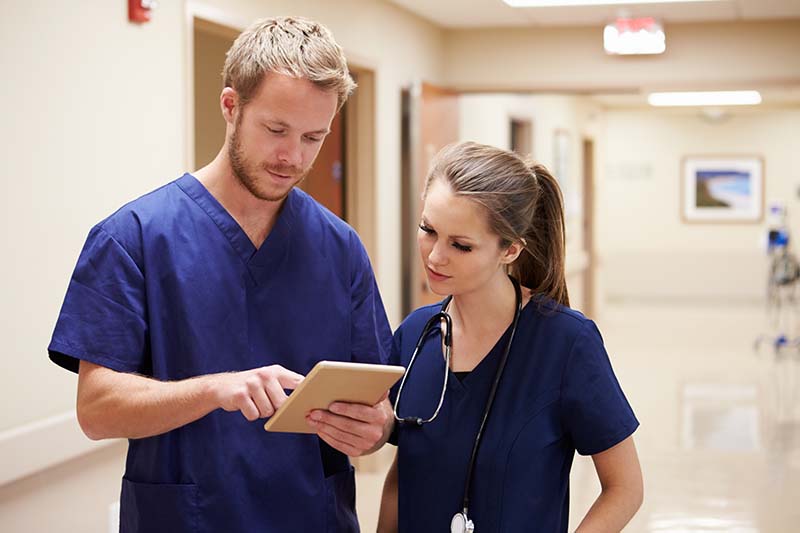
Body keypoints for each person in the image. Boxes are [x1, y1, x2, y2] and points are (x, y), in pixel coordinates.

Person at [48, 16, 394, 533]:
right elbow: (97, 410)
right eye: (276, 130)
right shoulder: (134, 237)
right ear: (230, 106)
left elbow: (379, 405)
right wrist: (215, 390)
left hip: (310, 516)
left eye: (313, 137)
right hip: (187, 519)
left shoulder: (340, 248)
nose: (292, 157)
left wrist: (374, 428)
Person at [377, 142, 643, 532]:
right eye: (427, 230)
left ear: (510, 249)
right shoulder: (416, 335)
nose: (435, 256)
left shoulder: (564, 342)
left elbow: (625, 488)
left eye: (461, 245)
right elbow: (405, 476)